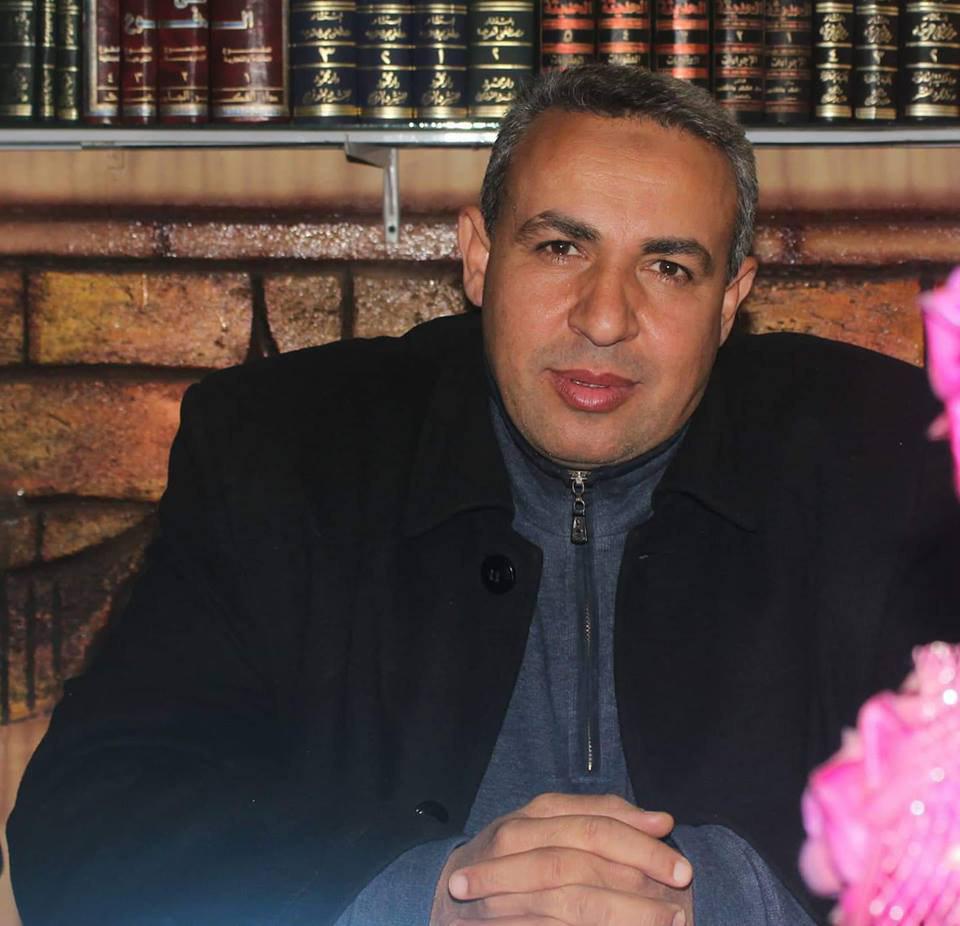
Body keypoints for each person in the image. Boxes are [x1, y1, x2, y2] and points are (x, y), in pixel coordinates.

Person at [7, 65, 958, 926]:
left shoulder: (881, 457)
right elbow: (88, 826)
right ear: (477, 255)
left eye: (668, 267)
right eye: (560, 247)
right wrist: (425, 896)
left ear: (731, 298)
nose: (605, 318)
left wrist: (724, 898)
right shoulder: (288, 451)